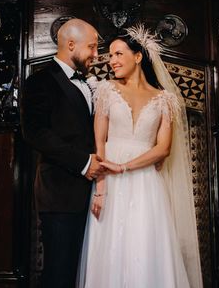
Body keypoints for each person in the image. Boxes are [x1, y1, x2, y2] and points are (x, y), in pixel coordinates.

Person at [77, 24, 204, 288]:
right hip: (108, 182)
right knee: (110, 246)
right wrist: (100, 188)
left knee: (145, 244)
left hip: (146, 182)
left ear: (138, 56)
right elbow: (99, 141)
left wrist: (124, 166)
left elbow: (163, 148)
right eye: (110, 55)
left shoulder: (164, 99)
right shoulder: (106, 90)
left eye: (118, 54)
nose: (112, 61)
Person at [21, 18, 110, 288]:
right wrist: (84, 163)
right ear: (71, 44)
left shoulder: (91, 83)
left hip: (94, 194)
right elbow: (35, 132)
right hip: (60, 192)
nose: (96, 55)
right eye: (92, 47)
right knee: (60, 272)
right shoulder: (41, 81)